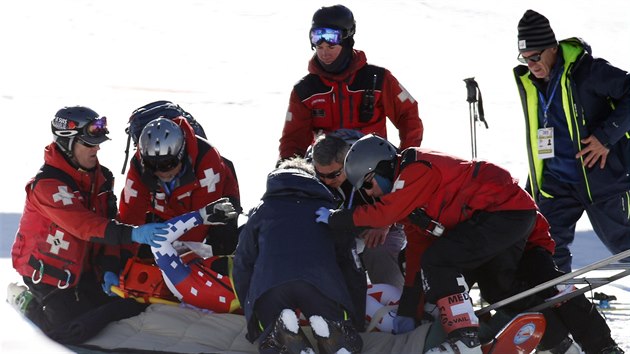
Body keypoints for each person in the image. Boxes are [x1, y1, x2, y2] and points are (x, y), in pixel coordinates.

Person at [315, 134, 623, 354]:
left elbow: (388, 211)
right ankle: (561, 345)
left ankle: (466, 335)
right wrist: (411, 308)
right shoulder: (411, 208)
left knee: (545, 282)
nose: (372, 194)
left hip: (511, 217)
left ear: (381, 166)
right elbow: (419, 254)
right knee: (498, 288)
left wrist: (337, 218)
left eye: (369, 184)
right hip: (491, 234)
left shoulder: (415, 168)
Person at [9, 106, 170, 343]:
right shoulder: (47, 186)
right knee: (68, 332)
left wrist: (109, 265)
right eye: (89, 144)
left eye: (97, 143)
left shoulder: (101, 177)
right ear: (67, 144)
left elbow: (108, 221)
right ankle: (27, 303)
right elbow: (84, 225)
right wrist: (134, 234)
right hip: (48, 277)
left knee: (127, 305)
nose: (97, 148)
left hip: (84, 269)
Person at [513, 9, 630, 273]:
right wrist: (535, 187)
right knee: (546, 250)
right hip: (557, 184)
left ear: (552, 48)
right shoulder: (532, 83)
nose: (531, 64)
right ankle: (561, 306)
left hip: (602, 179)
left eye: (535, 56)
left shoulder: (588, 71)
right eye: (524, 57)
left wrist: (605, 137)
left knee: (624, 249)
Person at [233, 158, 363, 354]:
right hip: (320, 283)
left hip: (271, 284)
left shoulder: (261, 210)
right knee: (343, 332)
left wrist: (251, 311)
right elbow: (352, 264)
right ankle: (333, 331)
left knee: (270, 332)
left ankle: (281, 332)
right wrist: (355, 317)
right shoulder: (330, 211)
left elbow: (242, 263)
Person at [278, 4, 423, 162]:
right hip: (326, 170)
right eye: (319, 45)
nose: (324, 52)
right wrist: (288, 169)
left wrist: (407, 158)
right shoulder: (305, 91)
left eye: (331, 44)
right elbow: (293, 139)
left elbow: (408, 115)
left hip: (372, 168)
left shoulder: (378, 79)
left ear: (347, 39)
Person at [118, 116, 241, 257]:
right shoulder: (138, 166)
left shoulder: (207, 160)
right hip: (167, 210)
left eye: (167, 164)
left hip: (214, 207)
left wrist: (173, 254)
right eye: (153, 165)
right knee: (143, 252)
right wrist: (124, 257)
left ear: (181, 154)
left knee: (219, 249)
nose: (161, 172)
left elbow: (199, 227)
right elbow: (130, 216)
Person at [311, 130, 406, 290]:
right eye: (322, 175)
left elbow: (403, 195)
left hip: (382, 218)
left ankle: (394, 303)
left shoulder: (376, 158)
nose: (327, 181)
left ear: (348, 163)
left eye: (334, 175)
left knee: (379, 248)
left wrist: (385, 224)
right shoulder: (310, 172)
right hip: (340, 222)